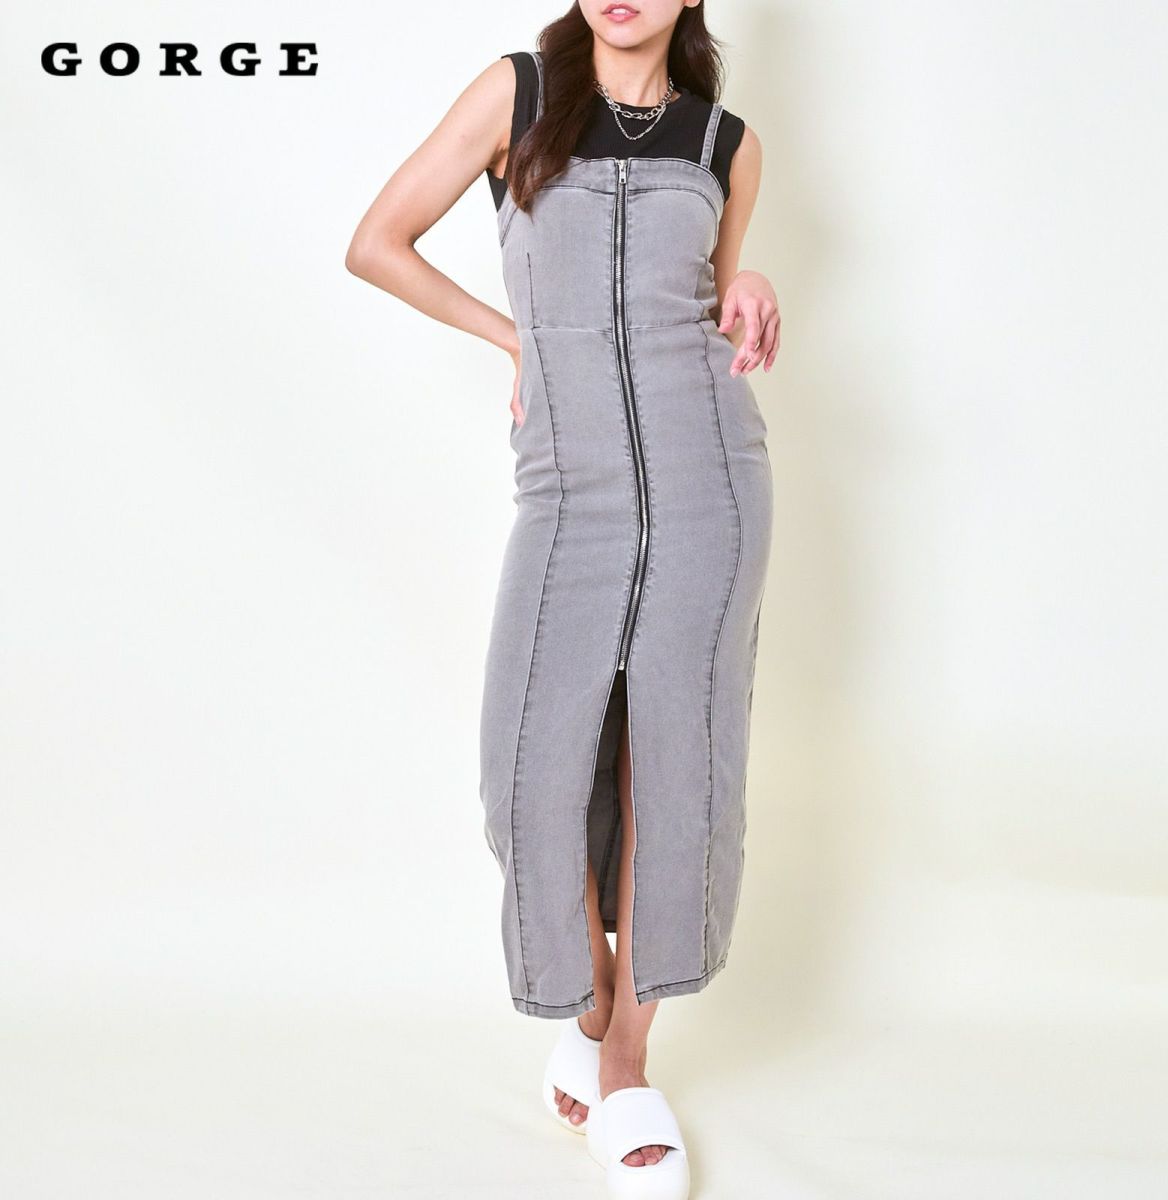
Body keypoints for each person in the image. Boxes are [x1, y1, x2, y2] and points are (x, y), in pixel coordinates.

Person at [346, 2, 777, 1195]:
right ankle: (589, 1014)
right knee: (531, 772)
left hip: (711, 478)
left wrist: (750, 282)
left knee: (675, 770)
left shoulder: (726, 143)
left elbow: (714, 295)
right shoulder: (518, 94)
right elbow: (378, 241)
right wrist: (517, 340)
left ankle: (628, 1064)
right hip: (566, 489)